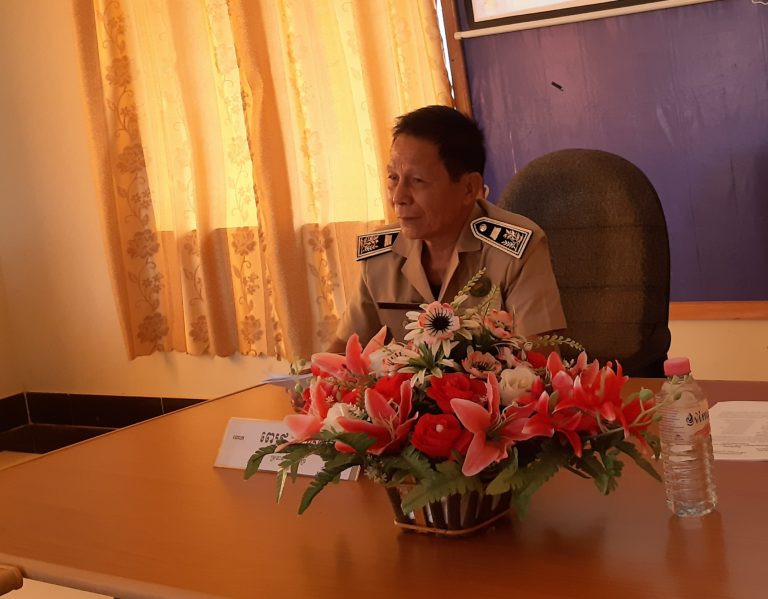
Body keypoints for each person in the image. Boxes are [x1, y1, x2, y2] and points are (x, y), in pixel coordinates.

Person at [326, 105, 565, 353]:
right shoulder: (380, 254)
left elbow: (539, 359)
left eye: (417, 181)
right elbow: (343, 351)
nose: (398, 197)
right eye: (393, 178)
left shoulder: (516, 249)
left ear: (469, 188)